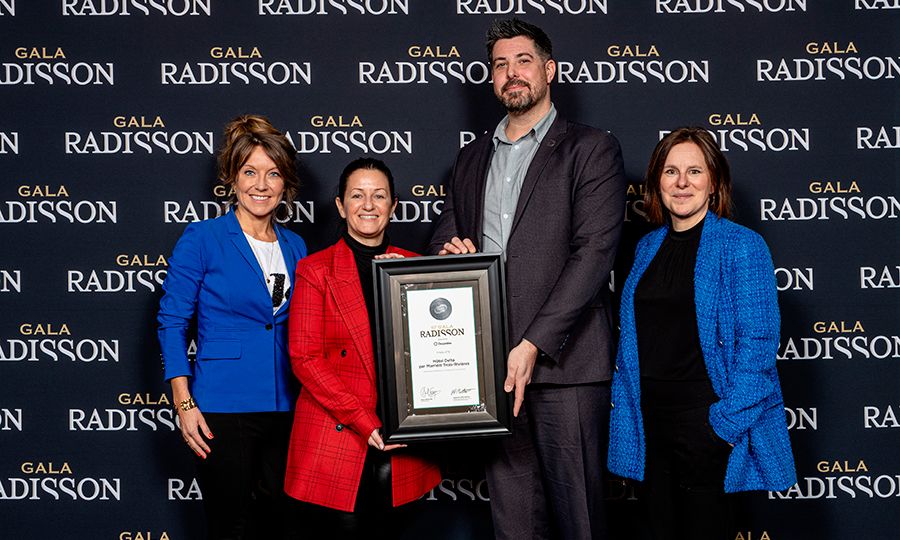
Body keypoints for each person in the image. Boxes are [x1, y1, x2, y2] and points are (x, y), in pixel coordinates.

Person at [429, 18, 626, 540]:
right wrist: (451, 252)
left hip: (567, 366)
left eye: (523, 61)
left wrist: (534, 343)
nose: (511, 73)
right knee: (513, 524)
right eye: (500, 64)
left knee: (581, 520)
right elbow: (442, 242)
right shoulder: (470, 159)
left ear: (549, 70)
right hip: (493, 372)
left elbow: (595, 254)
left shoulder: (591, 149)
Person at [608, 127, 796, 539]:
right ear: (657, 180)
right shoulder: (645, 248)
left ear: (713, 183)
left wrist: (721, 430)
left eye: (694, 171)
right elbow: (632, 345)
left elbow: (758, 350)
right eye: (671, 171)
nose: (682, 183)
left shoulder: (742, 246)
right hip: (648, 429)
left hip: (706, 425)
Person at [157, 115, 307, 539]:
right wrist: (184, 405)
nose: (261, 184)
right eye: (250, 172)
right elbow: (172, 323)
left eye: (273, 173)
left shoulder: (296, 245)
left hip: (287, 407)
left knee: (282, 526)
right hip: (223, 408)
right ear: (232, 179)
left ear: (286, 184)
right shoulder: (202, 238)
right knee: (233, 527)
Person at [284, 158, 441, 539]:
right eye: (357, 195)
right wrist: (365, 421)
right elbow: (305, 358)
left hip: (403, 440)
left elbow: (437, 349)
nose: (368, 205)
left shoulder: (415, 267)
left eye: (379, 196)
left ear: (393, 206)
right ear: (340, 205)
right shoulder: (314, 270)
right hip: (339, 434)